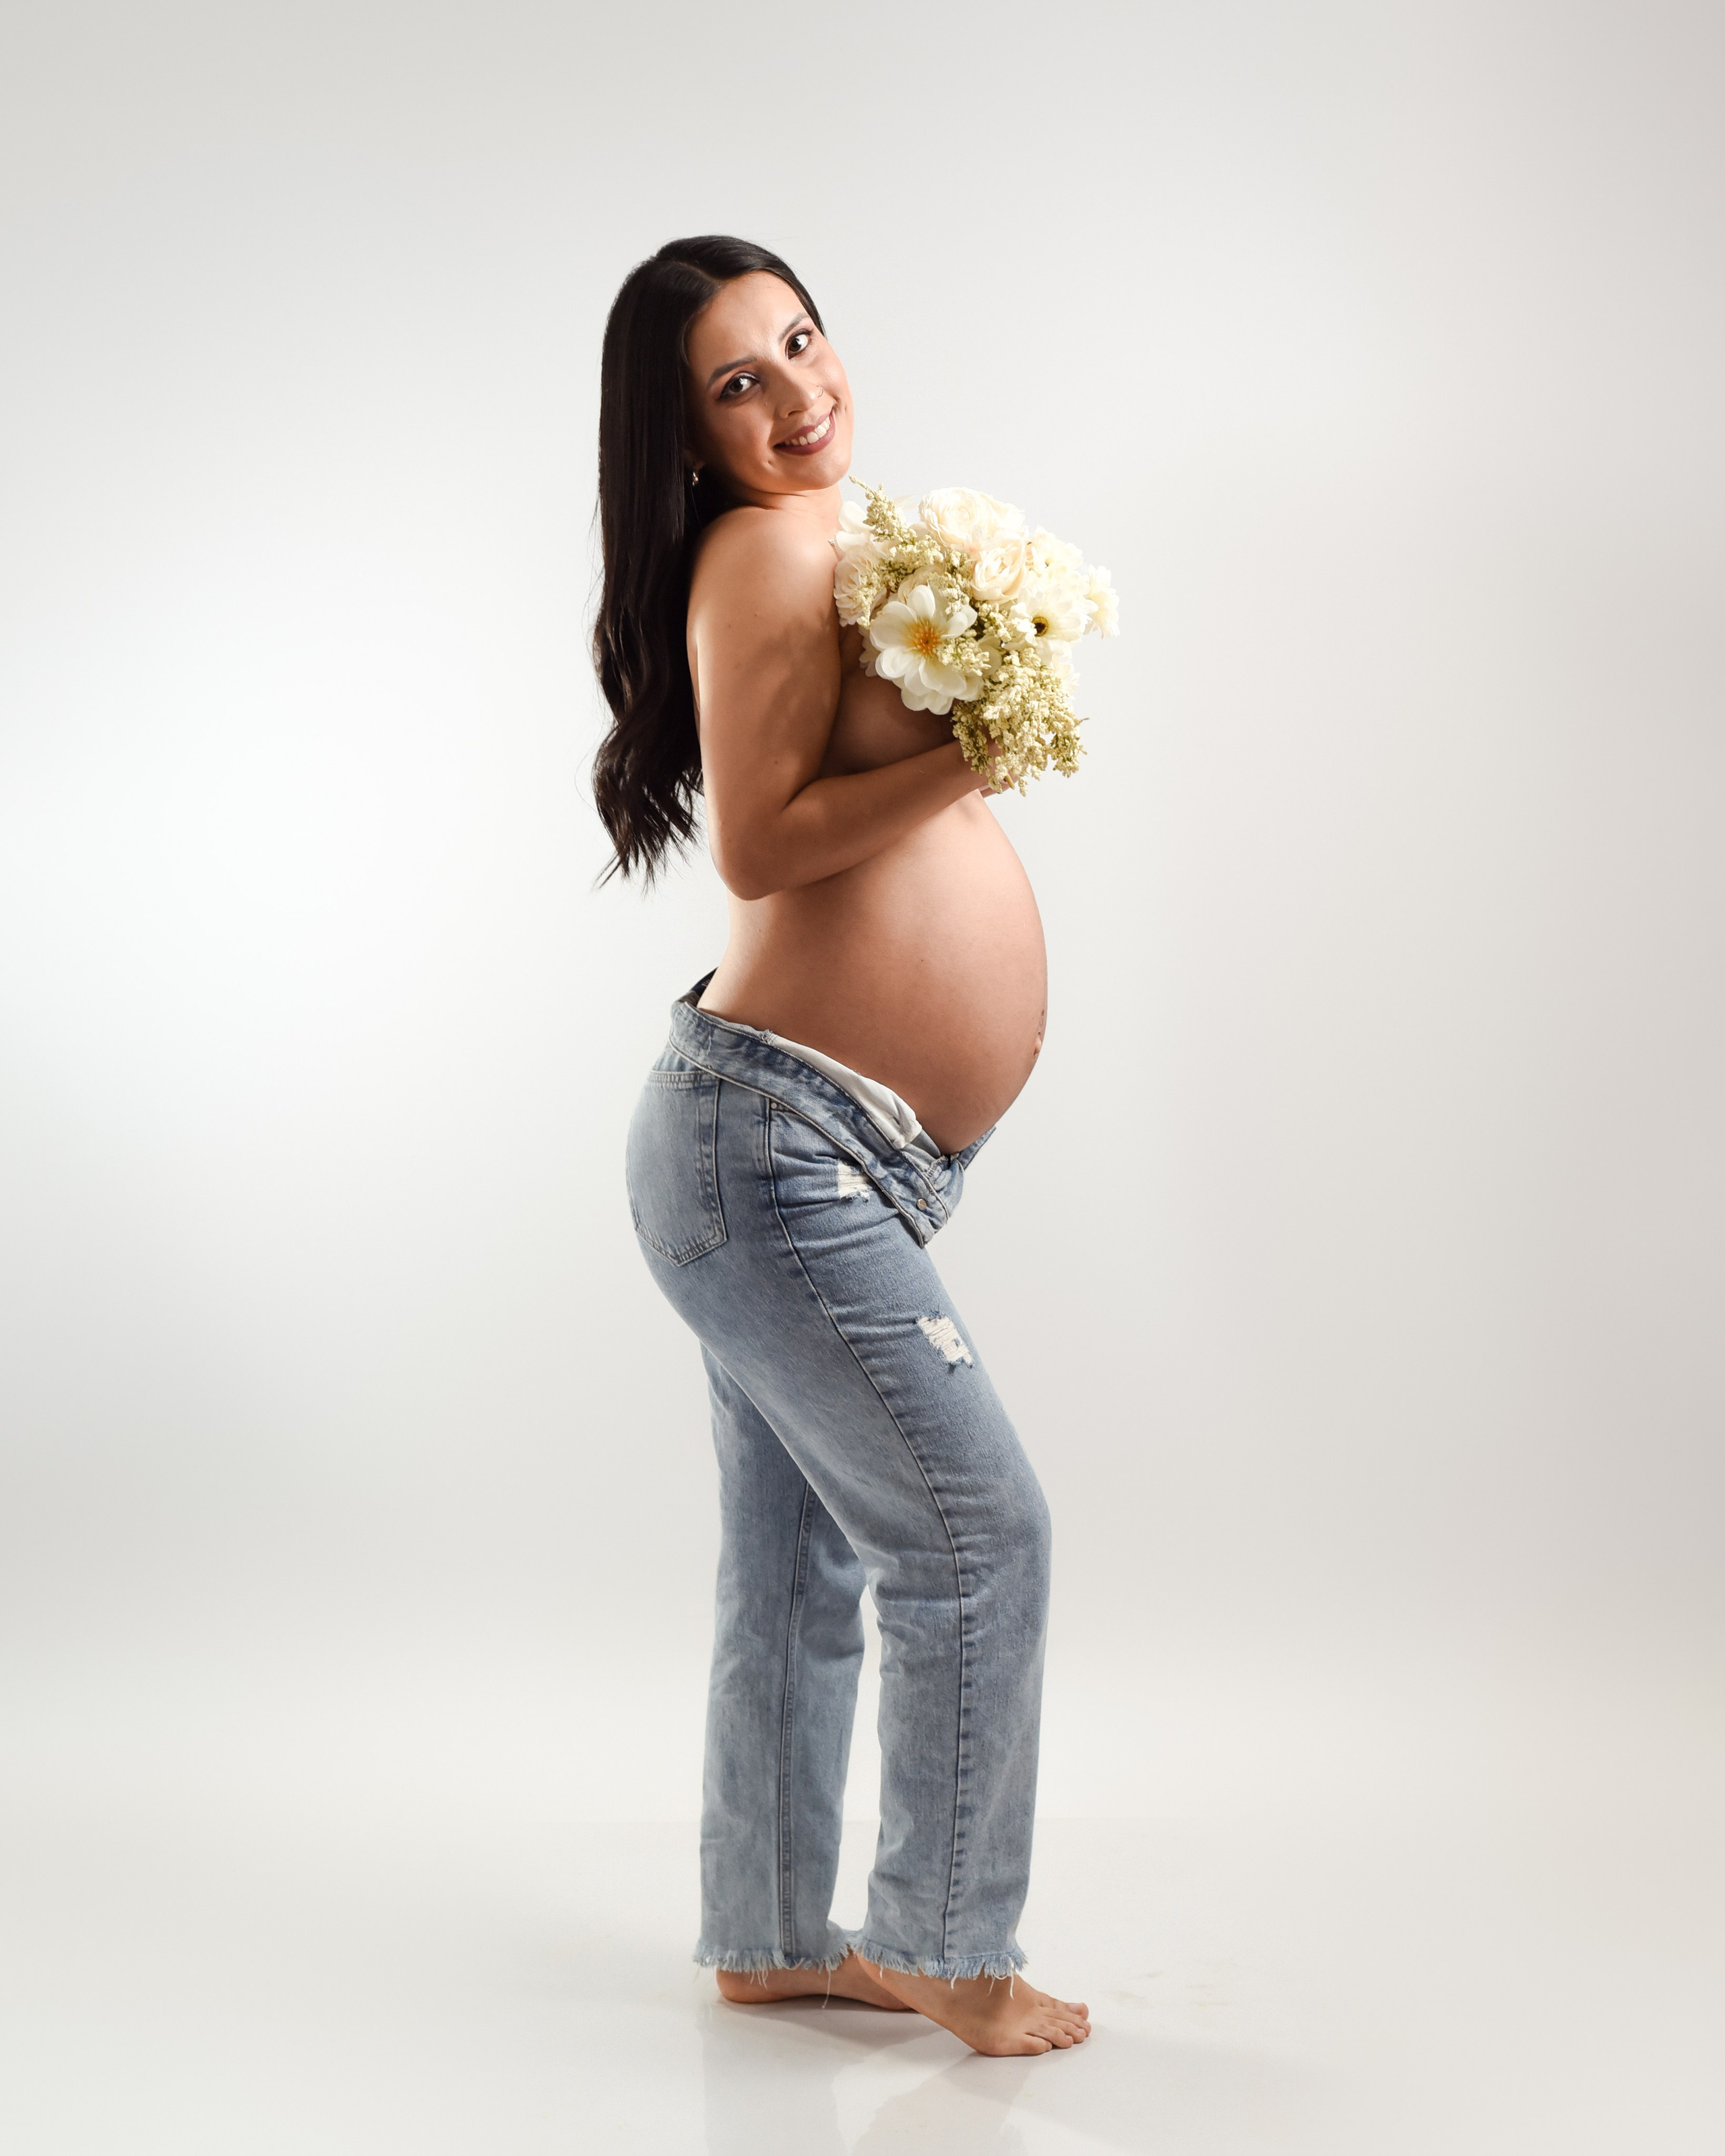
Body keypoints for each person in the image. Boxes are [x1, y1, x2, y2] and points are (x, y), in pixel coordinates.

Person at [592, 236, 1089, 2057]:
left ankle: (773, 1927)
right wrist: (977, 744)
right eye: (740, 383)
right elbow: (766, 845)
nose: (800, 396)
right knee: (979, 1534)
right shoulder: (765, 546)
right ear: (687, 436)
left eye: (803, 341)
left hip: (797, 1151)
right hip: (774, 1154)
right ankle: (947, 1943)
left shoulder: (814, 528)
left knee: (798, 1563)